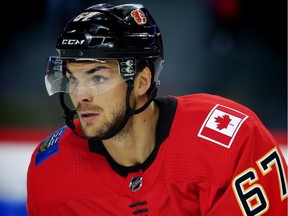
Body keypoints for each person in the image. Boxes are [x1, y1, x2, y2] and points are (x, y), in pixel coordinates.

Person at [26, 3, 287, 215]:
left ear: (141, 81)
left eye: (97, 78)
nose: (80, 94)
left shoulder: (231, 140)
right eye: (73, 78)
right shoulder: (51, 171)